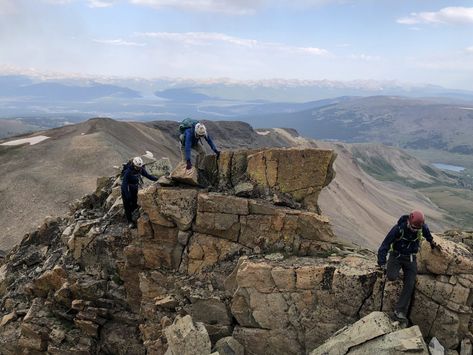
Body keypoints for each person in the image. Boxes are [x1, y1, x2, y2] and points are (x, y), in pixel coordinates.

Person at [377, 210, 441, 321]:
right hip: (396, 256)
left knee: (410, 283)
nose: (415, 230)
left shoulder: (422, 227)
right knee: (392, 276)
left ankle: (399, 311)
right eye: (413, 227)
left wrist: (432, 243)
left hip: (410, 258)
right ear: (409, 221)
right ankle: (394, 270)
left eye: (417, 228)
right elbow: (385, 245)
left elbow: (428, 235)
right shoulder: (398, 229)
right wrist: (382, 263)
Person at [121, 157, 158, 228]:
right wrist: (127, 195)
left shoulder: (140, 169)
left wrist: (158, 179)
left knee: (134, 204)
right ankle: (130, 221)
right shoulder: (128, 172)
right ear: (134, 165)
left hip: (134, 189)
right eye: (137, 167)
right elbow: (124, 184)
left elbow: (148, 176)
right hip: (127, 190)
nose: (138, 169)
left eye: (139, 167)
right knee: (127, 205)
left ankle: (133, 216)